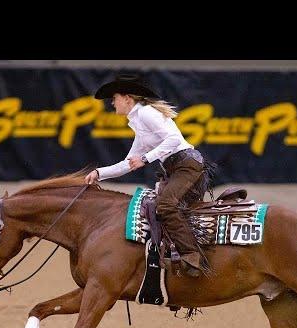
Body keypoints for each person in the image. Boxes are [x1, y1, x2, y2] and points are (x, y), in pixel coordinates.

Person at [84, 73, 209, 278]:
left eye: (114, 98)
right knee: (163, 206)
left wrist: (146, 158)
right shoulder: (139, 122)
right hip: (180, 167)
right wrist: (100, 173)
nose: (112, 103)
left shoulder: (146, 113)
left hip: (186, 165)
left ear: (127, 98)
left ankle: (192, 255)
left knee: (165, 206)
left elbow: (174, 140)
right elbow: (128, 163)